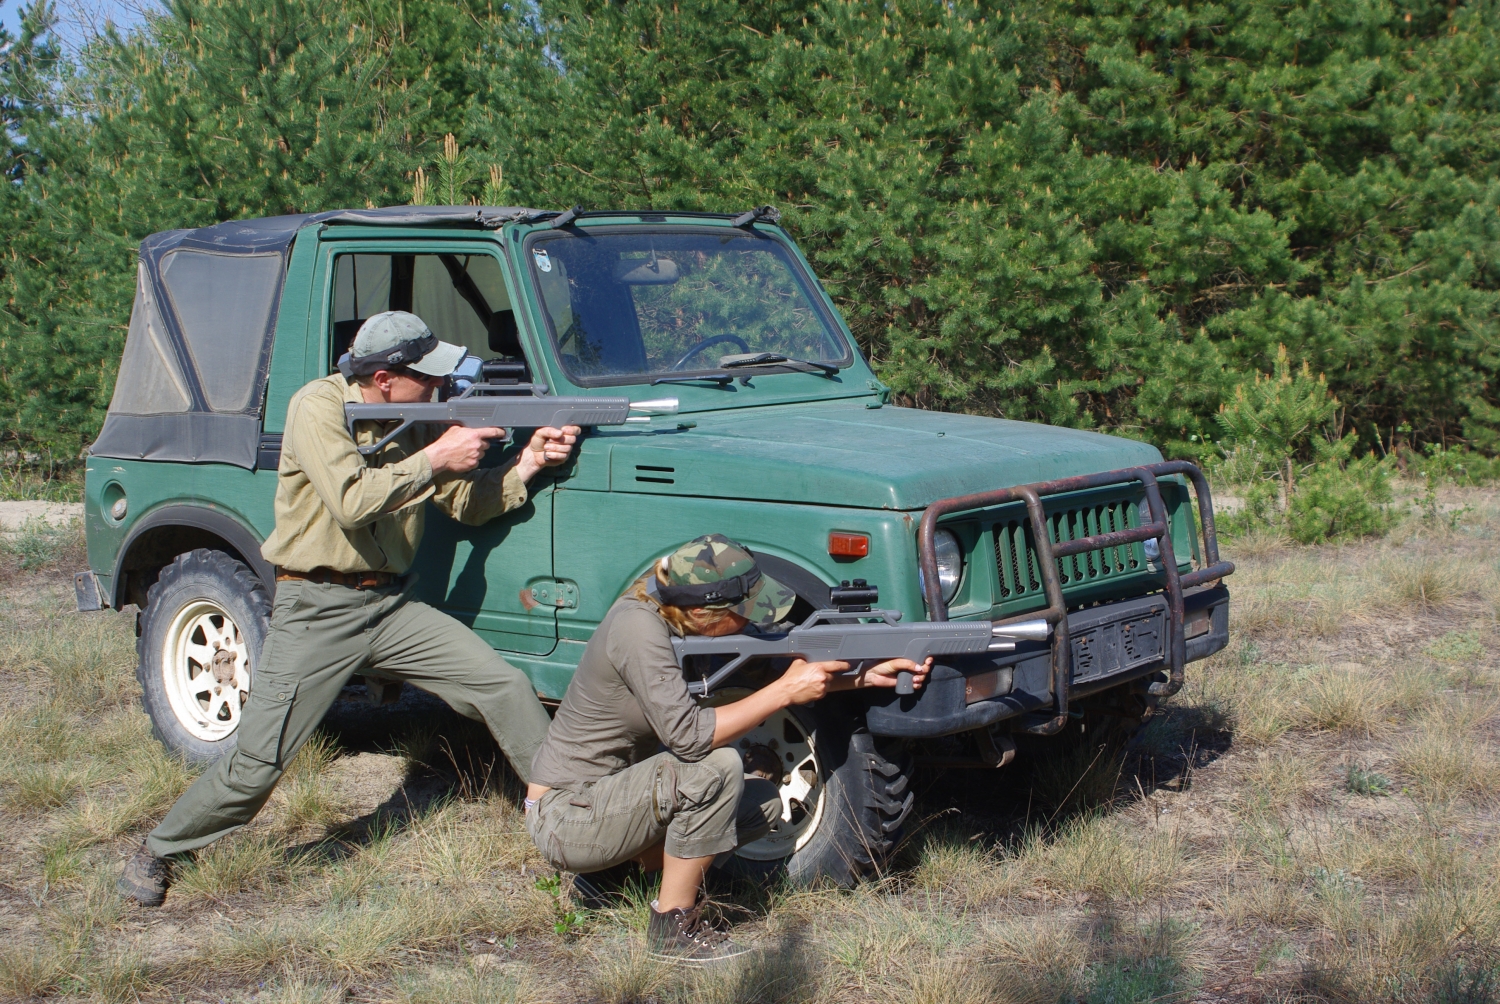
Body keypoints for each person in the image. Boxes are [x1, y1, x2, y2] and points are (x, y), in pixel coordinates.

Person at [120, 311, 579, 906]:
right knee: (257, 765)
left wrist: (530, 462)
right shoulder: (318, 406)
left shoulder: (417, 416)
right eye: (428, 377)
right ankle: (159, 850)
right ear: (385, 379)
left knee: (505, 687)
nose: (442, 387)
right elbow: (351, 501)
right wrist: (438, 455)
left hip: (390, 607)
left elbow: (465, 503)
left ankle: (576, 827)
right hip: (317, 608)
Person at [525, 534, 932, 965]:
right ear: (702, 613)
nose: (753, 624)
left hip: (611, 803)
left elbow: (767, 668)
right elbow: (689, 737)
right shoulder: (636, 627)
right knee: (717, 766)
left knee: (762, 803)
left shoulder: (677, 611)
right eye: (744, 614)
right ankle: (672, 929)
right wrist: (783, 691)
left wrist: (864, 677)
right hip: (565, 815)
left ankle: (613, 874)